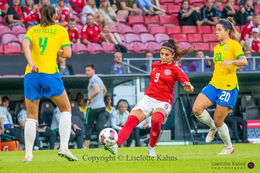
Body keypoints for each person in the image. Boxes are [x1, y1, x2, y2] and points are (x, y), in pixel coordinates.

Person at [104, 39, 194, 156]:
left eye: (167, 55)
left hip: (163, 101)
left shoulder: (176, 70)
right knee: (131, 120)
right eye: (162, 54)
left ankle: (151, 148)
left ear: (172, 55)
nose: (163, 57)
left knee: (155, 120)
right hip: (148, 99)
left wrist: (189, 88)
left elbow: (189, 86)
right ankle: (115, 146)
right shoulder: (155, 65)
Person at [22, 5, 77, 162]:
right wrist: (56, 51)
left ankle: (28, 155)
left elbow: (25, 44)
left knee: (31, 116)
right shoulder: (61, 30)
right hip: (50, 74)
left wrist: (31, 63)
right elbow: (67, 53)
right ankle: (64, 147)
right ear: (54, 16)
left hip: (31, 74)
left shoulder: (32, 30)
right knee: (66, 109)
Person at [192, 17, 248, 155]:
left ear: (227, 31)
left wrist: (232, 62)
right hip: (214, 84)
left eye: (219, 30)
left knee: (219, 121)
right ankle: (212, 127)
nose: (216, 32)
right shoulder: (216, 48)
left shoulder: (234, 44)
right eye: (215, 30)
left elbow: (244, 61)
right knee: (197, 109)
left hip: (228, 86)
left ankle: (229, 147)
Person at [84, 64, 107, 148]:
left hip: (92, 107)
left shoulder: (93, 80)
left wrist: (89, 99)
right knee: (100, 127)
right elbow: (104, 90)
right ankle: (103, 146)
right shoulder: (99, 79)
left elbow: (96, 90)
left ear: (93, 70)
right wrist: (100, 99)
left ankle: (86, 147)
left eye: (89, 70)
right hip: (101, 106)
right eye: (86, 70)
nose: (87, 72)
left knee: (88, 126)